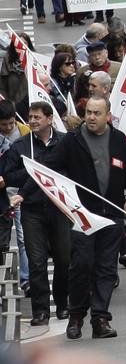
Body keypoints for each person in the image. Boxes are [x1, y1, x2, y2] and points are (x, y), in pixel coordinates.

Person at [49, 96, 126, 340]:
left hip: (112, 215)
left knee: (107, 268)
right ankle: (76, 315)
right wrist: (24, 192)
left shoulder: (119, 139)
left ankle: (100, 318)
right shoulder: (72, 140)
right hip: (83, 216)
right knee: (82, 265)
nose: (92, 117)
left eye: (97, 113)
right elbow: (50, 168)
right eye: (89, 113)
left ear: (108, 115)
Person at [2, 101, 68, 326]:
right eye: (30, 117)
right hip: (32, 210)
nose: (32, 121)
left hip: (60, 209)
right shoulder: (20, 146)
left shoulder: (64, 143)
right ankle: (41, 311)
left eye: (37, 117)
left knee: (63, 259)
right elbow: (9, 176)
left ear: (49, 119)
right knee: (37, 261)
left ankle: (63, 304)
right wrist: (34, 170)